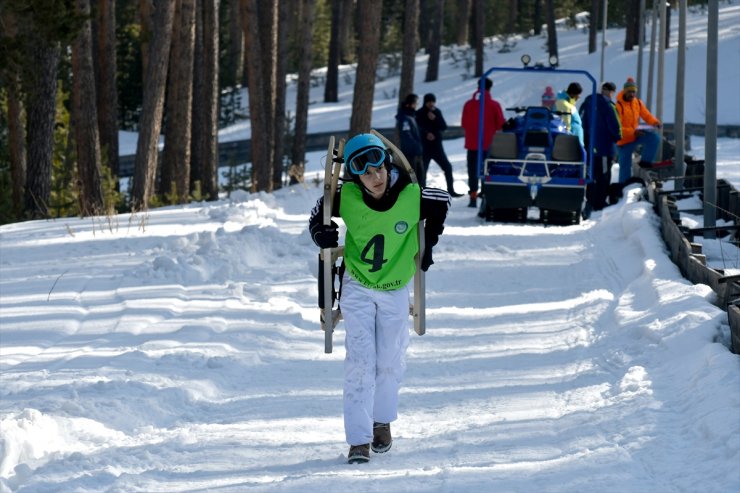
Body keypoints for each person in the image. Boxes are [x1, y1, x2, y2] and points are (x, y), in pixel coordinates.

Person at [308, 133, 451, 464]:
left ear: (387, 164)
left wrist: (430, 239)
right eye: (365, 171)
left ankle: (381, 421)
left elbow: (442, 199)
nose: (375, 176)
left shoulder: (411, 194)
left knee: (389, 359)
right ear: (355, 175)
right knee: (360, 361)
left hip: (395, 287)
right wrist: (321, 233)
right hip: (357, 285)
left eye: (379, 167)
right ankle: (358, 440)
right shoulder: (347, 196)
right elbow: (318, 213)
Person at [461, 78, 505, 208]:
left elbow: (464, 123)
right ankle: (486, 196)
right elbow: (500, 124)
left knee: (472, 171)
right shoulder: (494, 105)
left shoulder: (468, 104)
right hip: (488, 145)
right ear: (490, 88)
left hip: (472, 144)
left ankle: (473, 197)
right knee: (487, 171)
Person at [579, 81, 622, 211]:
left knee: (590, 174)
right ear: (610, 92)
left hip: (588, 147)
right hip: (603, 147)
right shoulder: (608, 105)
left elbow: (582, 122)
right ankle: (599, 203)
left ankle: (590, 200)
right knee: (603, 176)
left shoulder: (587, 102)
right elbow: (615, 126)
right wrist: (618, 137)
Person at [615, 77, 662, 183]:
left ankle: (645, 162)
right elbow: (618, 128)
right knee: (625, 166)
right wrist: (633, 132)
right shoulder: (619, 106)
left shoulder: (637, 103)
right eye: (629, 92)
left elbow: (646, 115)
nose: (632, 94)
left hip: (635, 135)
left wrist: (655, 122)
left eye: (633, 92)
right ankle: (623, 187)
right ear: (625, 92)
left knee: (654, 138)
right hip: (623, 140)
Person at [415, 93, 463, 197]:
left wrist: (435, 119)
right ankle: (421, 192)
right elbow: (416, 128)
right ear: (425, 102)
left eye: (433, 102)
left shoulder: (437, 112)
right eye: (429, 102)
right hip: (424, 148)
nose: (431, 104)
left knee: (448, 167)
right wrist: (426, 133)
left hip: (437, 148)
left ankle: (451, 190)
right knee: (423, 171)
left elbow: (443, 127)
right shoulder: (419, 113)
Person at [395, 94, 425, 184]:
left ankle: (421, 197)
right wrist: (417, 147)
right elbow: (406, 136)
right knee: (414, 180)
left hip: (416, 153)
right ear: (410, 104)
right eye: (415, 103)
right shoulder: (405, 118)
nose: (416, 106)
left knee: (420, 179)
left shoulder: (411, 116)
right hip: (411, 154)